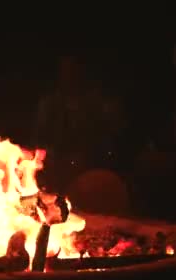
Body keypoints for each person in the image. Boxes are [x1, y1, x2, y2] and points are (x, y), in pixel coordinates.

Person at [32, 55, 128, 198]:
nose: (70, 76)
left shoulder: (93, 103)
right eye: (66, 71)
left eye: (74, 71)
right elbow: (41, 136)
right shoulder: (51, 103)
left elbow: (103, 135)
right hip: (57, 158)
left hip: (87, 160)